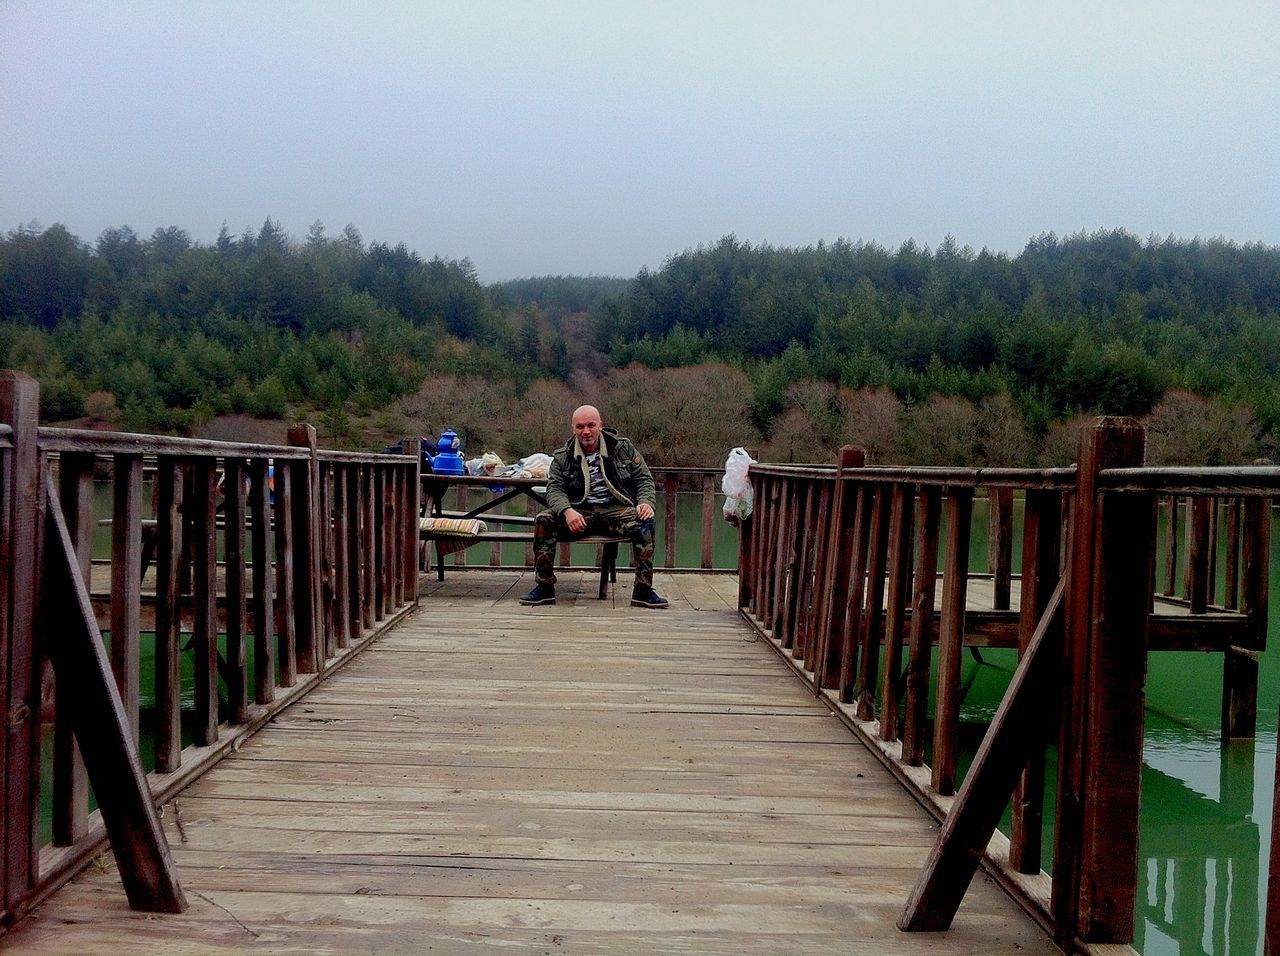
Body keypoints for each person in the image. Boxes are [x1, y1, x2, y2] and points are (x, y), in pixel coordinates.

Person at [519, 405, 668, 608]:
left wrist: (645, 502)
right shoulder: (562, 456)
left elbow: (643, 478)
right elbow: (554, 489)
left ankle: (643, 590)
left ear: (600, 425)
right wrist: (567, 511)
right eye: (580, 426)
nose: (586, 431)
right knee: (544, 519)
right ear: (573, 428)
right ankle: (544, 587)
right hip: (580, 512)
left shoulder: (622, 447)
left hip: (616, 509)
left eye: (591, 425)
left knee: (644, 521)